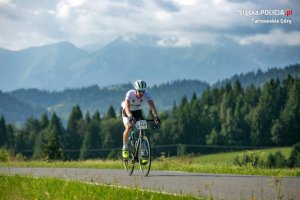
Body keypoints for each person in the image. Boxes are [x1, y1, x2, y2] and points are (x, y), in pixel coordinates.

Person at [121, 80, 160, 163]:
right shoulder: (130, 94)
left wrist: (156, 116)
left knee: (142, 128)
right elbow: (127, 108)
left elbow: (152, 106)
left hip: (138, 112)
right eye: (139, 91)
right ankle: (125, 147)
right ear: (135, 90)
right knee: (128, 127)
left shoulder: (146, 94)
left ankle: (142, 152)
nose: (141, 93)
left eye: (143, 91)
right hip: (127, 112)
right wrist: (130, 116)